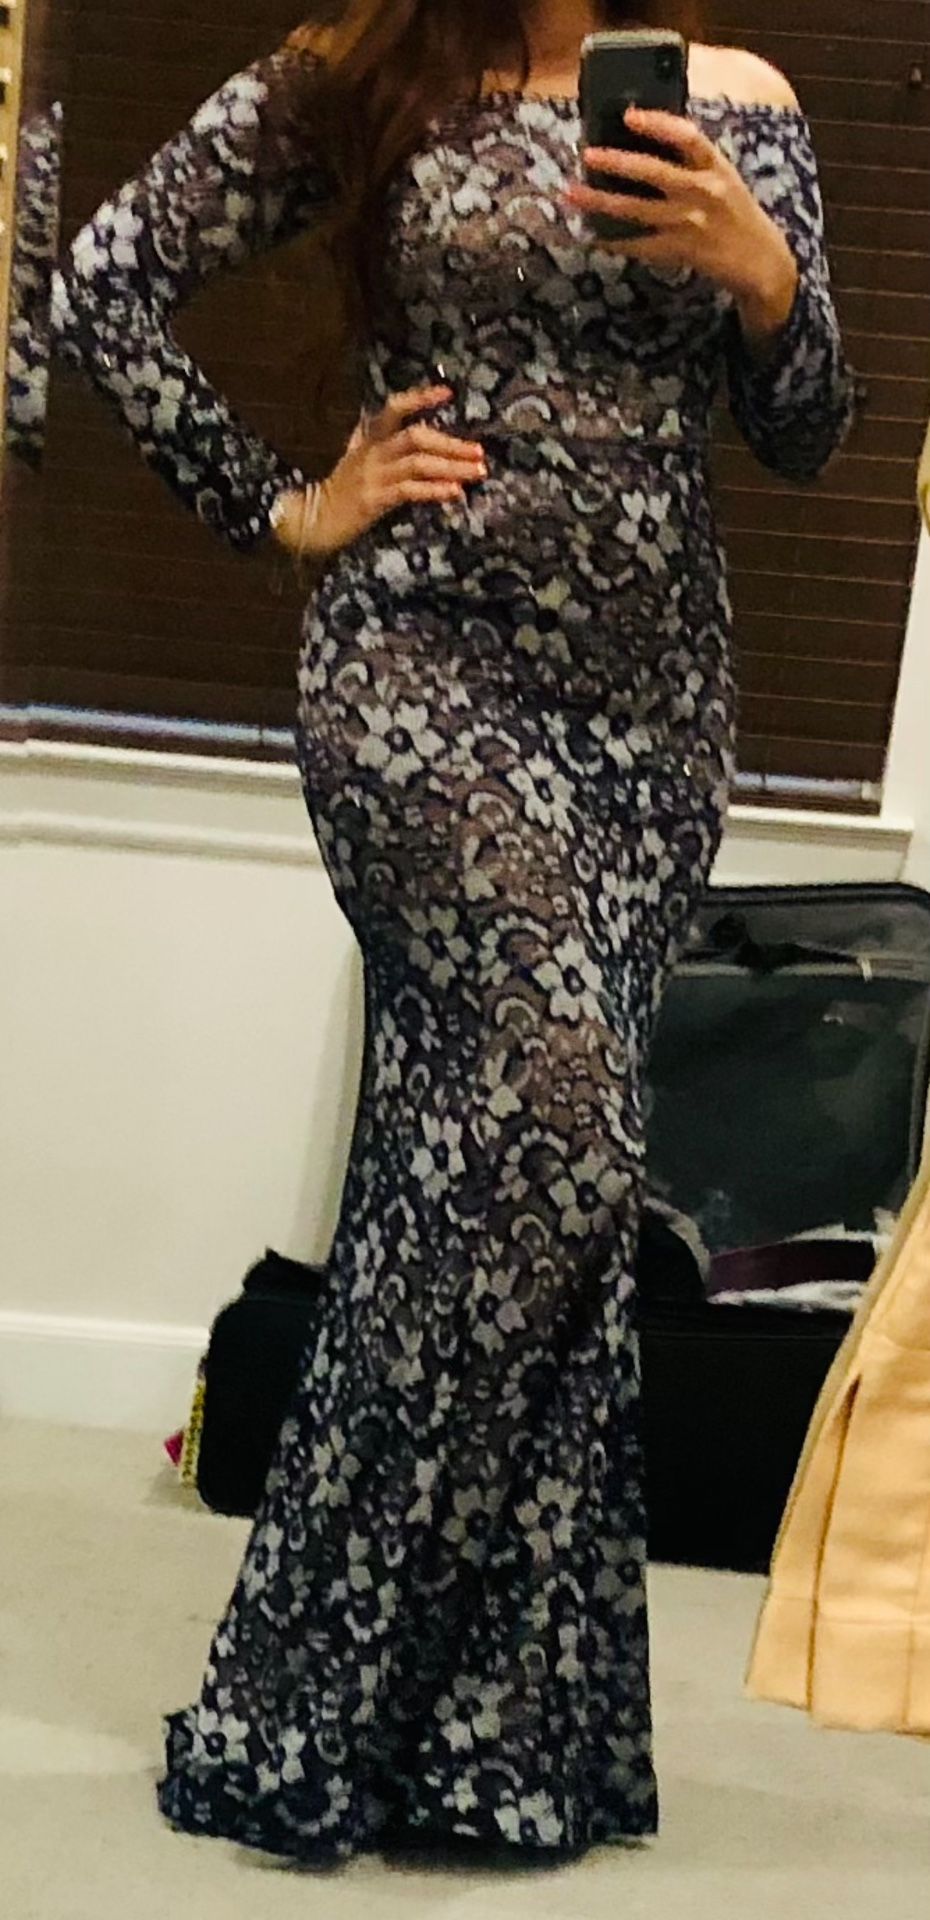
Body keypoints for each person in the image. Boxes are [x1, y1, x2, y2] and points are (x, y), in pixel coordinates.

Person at [50, 0, 854, 1867]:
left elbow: (808, 433)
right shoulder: (365, 74)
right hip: (421, 681)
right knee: (559, 1135)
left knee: (489, 1189)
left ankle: (493, 1744)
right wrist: (285, 505)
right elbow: (101, 285)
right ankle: (306, 1689)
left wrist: (760, 277)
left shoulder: (741, 106)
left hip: (650, 721)